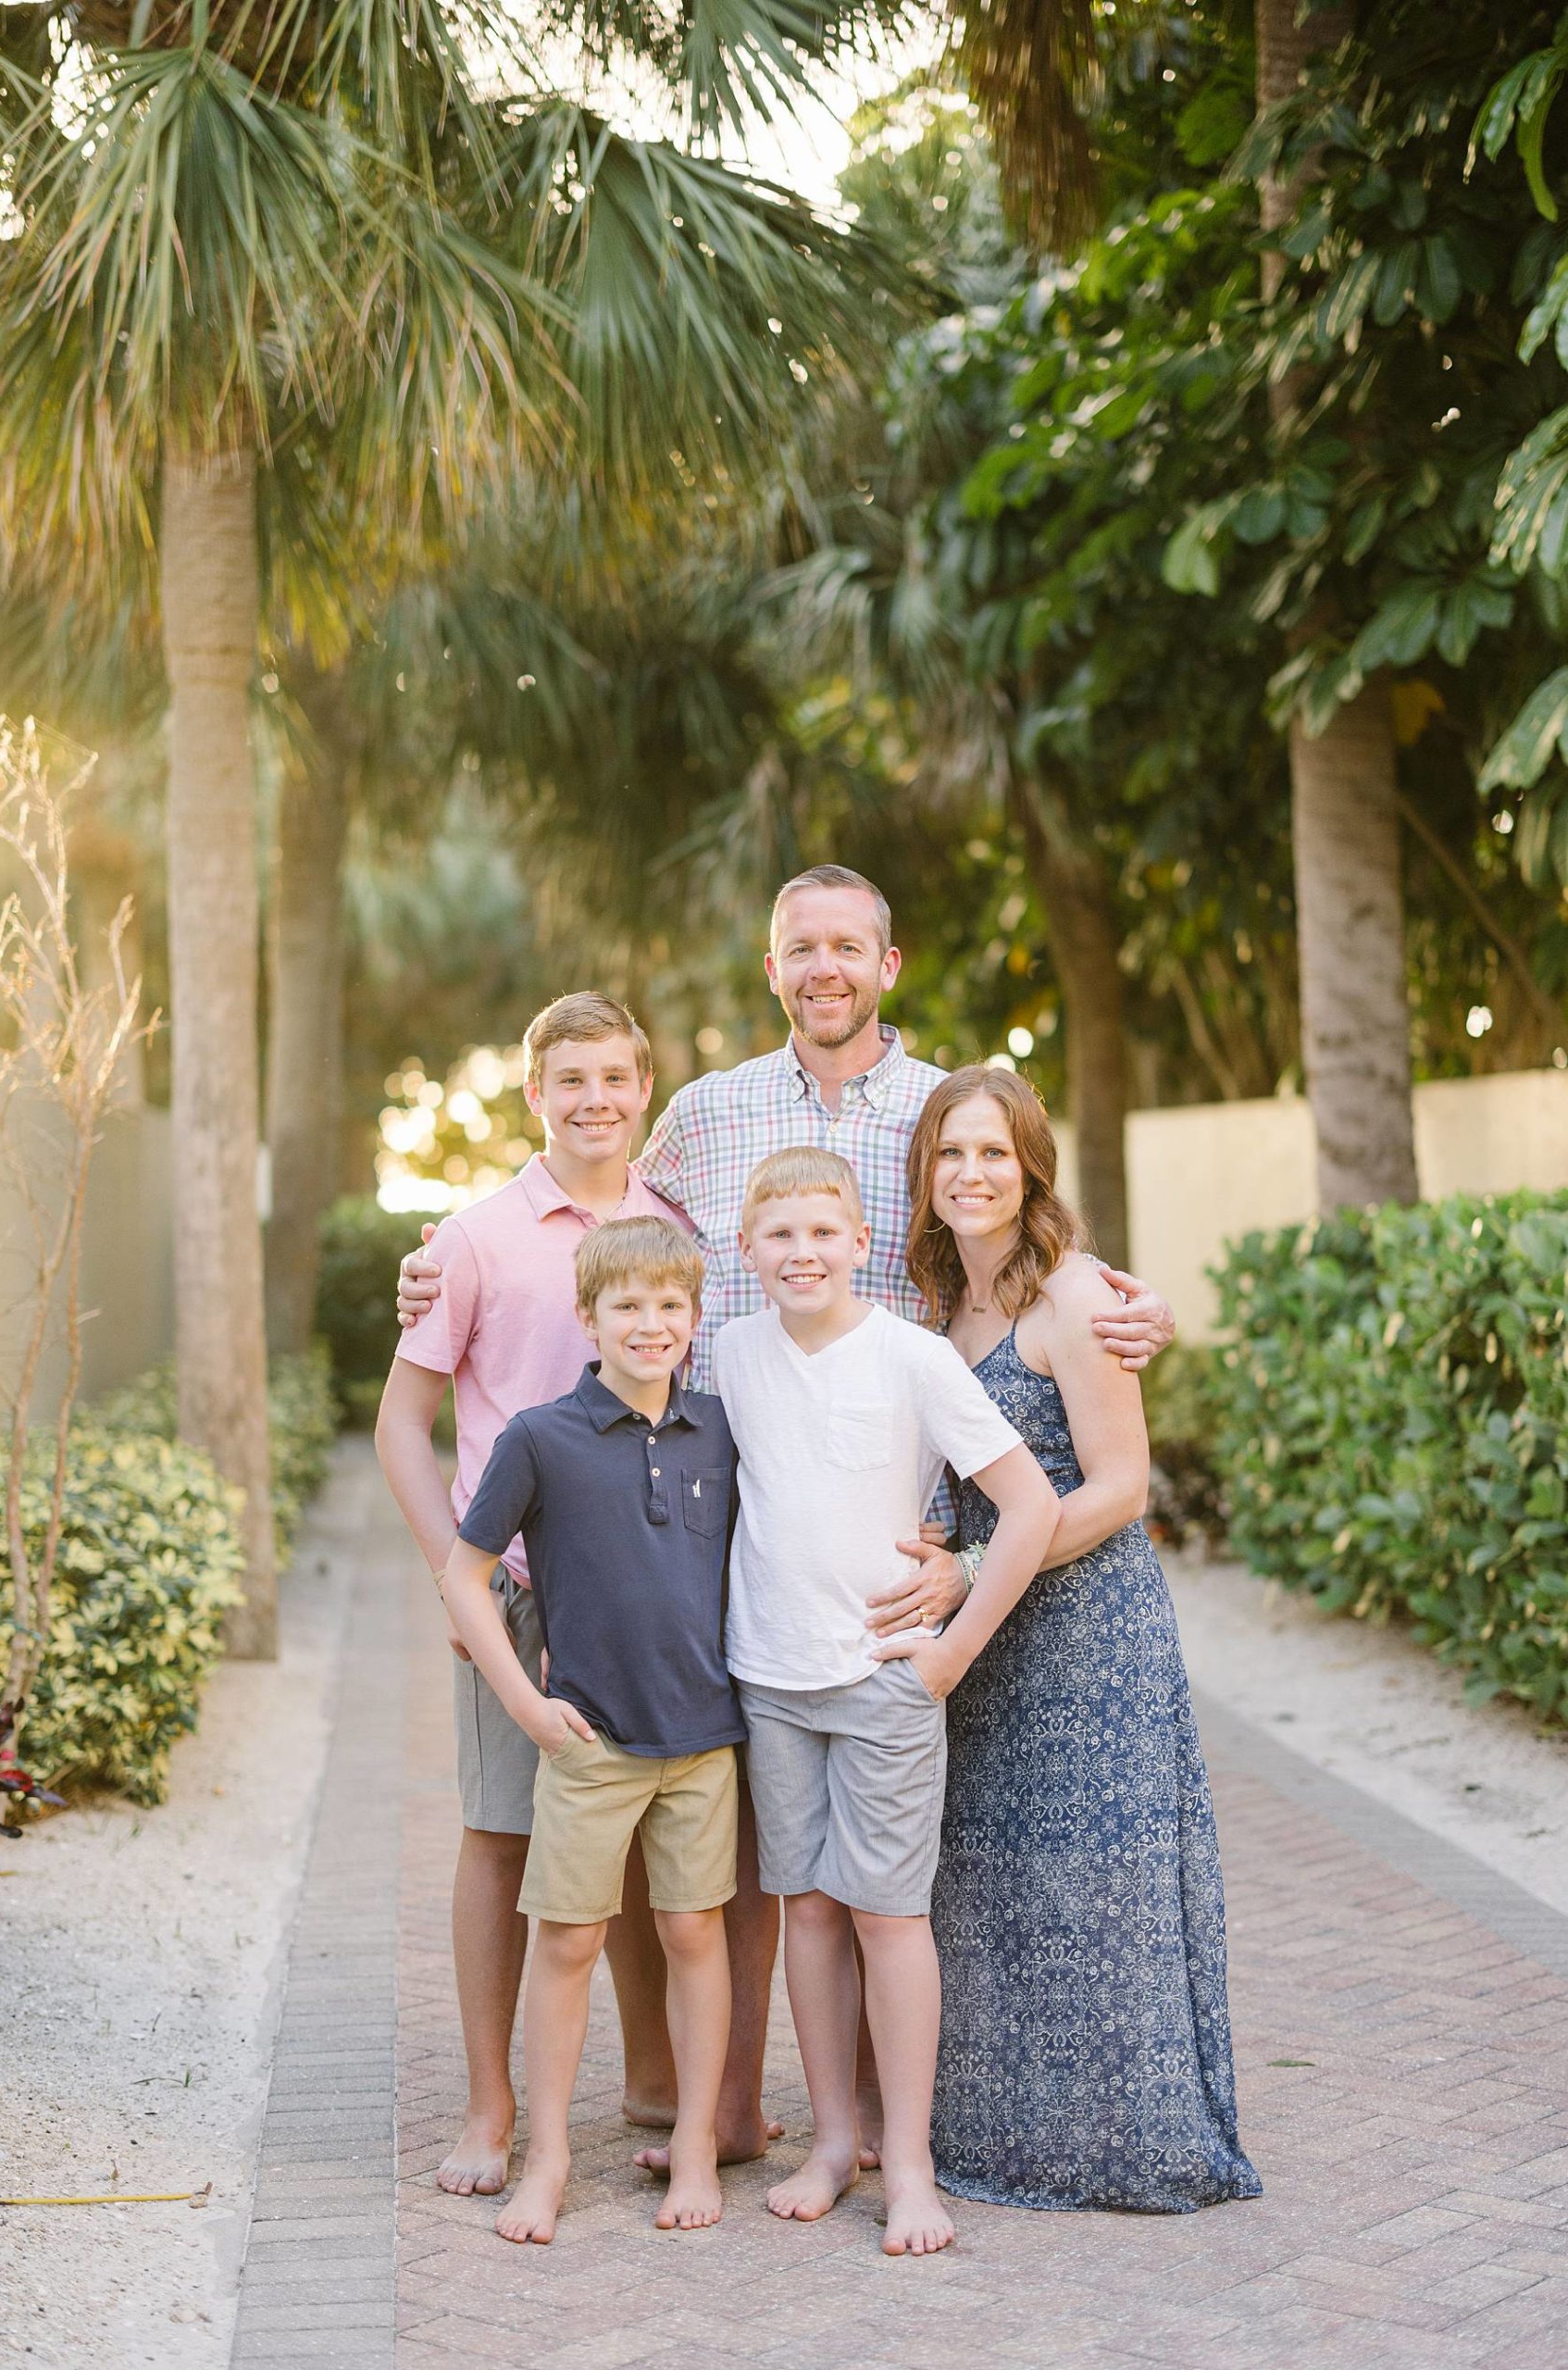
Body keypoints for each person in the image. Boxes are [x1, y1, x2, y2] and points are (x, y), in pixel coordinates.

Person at [395, 865, 1181, 2163]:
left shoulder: (940, 1105)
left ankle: (875, 2114)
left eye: (846, 947)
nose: (823, 969)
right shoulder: (703, 1116)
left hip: (901, 1529)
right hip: (724, 1513)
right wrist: (442, 1244)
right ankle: (726, 2101)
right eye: (798, 949)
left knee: (891, 1848)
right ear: (772, 971)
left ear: (886, 962)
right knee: (751, 1831)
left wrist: (1125, 1302)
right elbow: (598, 1208)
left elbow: (1022, 1234)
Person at [894, 1066, 1263, 2214]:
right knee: (991, 1884)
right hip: (983, 1642)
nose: (972, 1174)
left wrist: (973, 1568)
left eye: (994, 1153)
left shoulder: (1077, 1294)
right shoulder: (941, 1310)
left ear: (1031, 1166)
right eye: (951, 1154)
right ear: (926, 1174)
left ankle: (1129, 2142)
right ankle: (1004, 2139)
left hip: (1085, 1632)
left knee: (1103, 1881)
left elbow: (1120, 1486)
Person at [713, 1146, 1061, 2254]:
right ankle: (830, 2143)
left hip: (885, 1678)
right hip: (770, 1676)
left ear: (862, 1242)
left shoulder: (912, 1358)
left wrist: (950, 1651)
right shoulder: (731, 1352)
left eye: (824, 1232)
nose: (802, 1252)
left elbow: (1032, 1506)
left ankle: (907, 2167)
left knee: (887, 1914)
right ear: (748, 1252)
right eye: (780, 1235)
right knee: (806, 1911)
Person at [374, 991, 692, 2198]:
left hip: (656, 1595)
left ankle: (657, 2084)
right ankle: (490, 2107)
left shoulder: (678, 1226)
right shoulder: (473, 1239)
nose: (594, 1100)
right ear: (533, 1096)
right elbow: (401, 1426)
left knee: (644, 1842)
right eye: (571, 1081)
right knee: (501, 1839)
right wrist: (455, 1576)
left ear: (643, 1090)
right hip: (514, 1596)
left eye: (615, 1078)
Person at [440, 1216, 744, 2244]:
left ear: (695, 1318)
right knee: (567, 1939)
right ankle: (551, 2156)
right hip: (592, 1740)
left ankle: (696, 2144)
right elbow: (464, 1573)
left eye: (670, 1306)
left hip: (704, 1738)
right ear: (587, 1318)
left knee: (695, 1932)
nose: (651, 1324)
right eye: (628, 1306)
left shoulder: (720, 1429)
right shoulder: (540, 1437)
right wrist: (527, 1704)